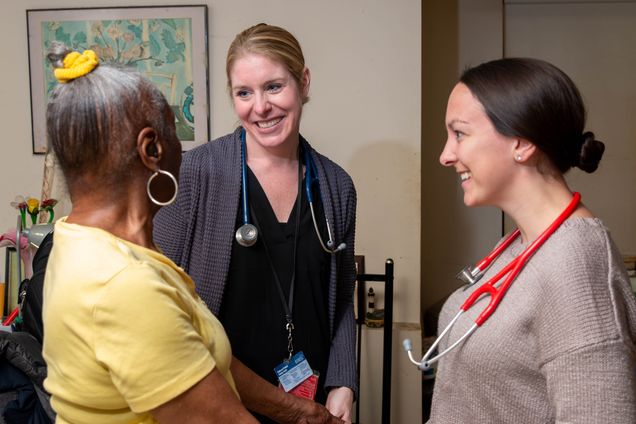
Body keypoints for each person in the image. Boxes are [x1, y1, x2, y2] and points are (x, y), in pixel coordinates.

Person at [41, 41, 343, 424]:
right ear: (152, 149)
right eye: (173, 131)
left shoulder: (76, 241)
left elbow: (194, 355)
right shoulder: (124, 286)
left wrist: (301, 411)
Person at [154, 23, 357, 423]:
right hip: (217, 403)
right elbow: (158, 300)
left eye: (274, 87)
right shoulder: (196, 174)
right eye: (244, 93)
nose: (260, 107)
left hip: (310, 407)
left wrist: (343, 384)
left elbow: (342, 302)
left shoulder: (336, 187)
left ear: (304, 82)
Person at [429, 57, 636, 423]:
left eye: (459, 133)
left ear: (521, 143)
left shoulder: (576, 262)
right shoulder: (517, 246)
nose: (446, 155)